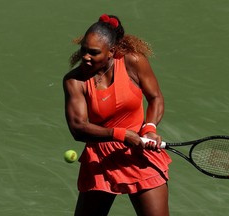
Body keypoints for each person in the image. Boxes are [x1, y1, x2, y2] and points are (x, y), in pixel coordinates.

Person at [63, 14, 172, 216]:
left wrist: (149, 129)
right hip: (100, 160)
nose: (86, 57)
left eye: (93, 53)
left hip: (138, 156)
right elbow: (78, 128)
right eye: (84, 50)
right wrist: (121, 135)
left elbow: (155, 97)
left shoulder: (133, 61)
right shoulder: (74, 81)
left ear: (111, 52)